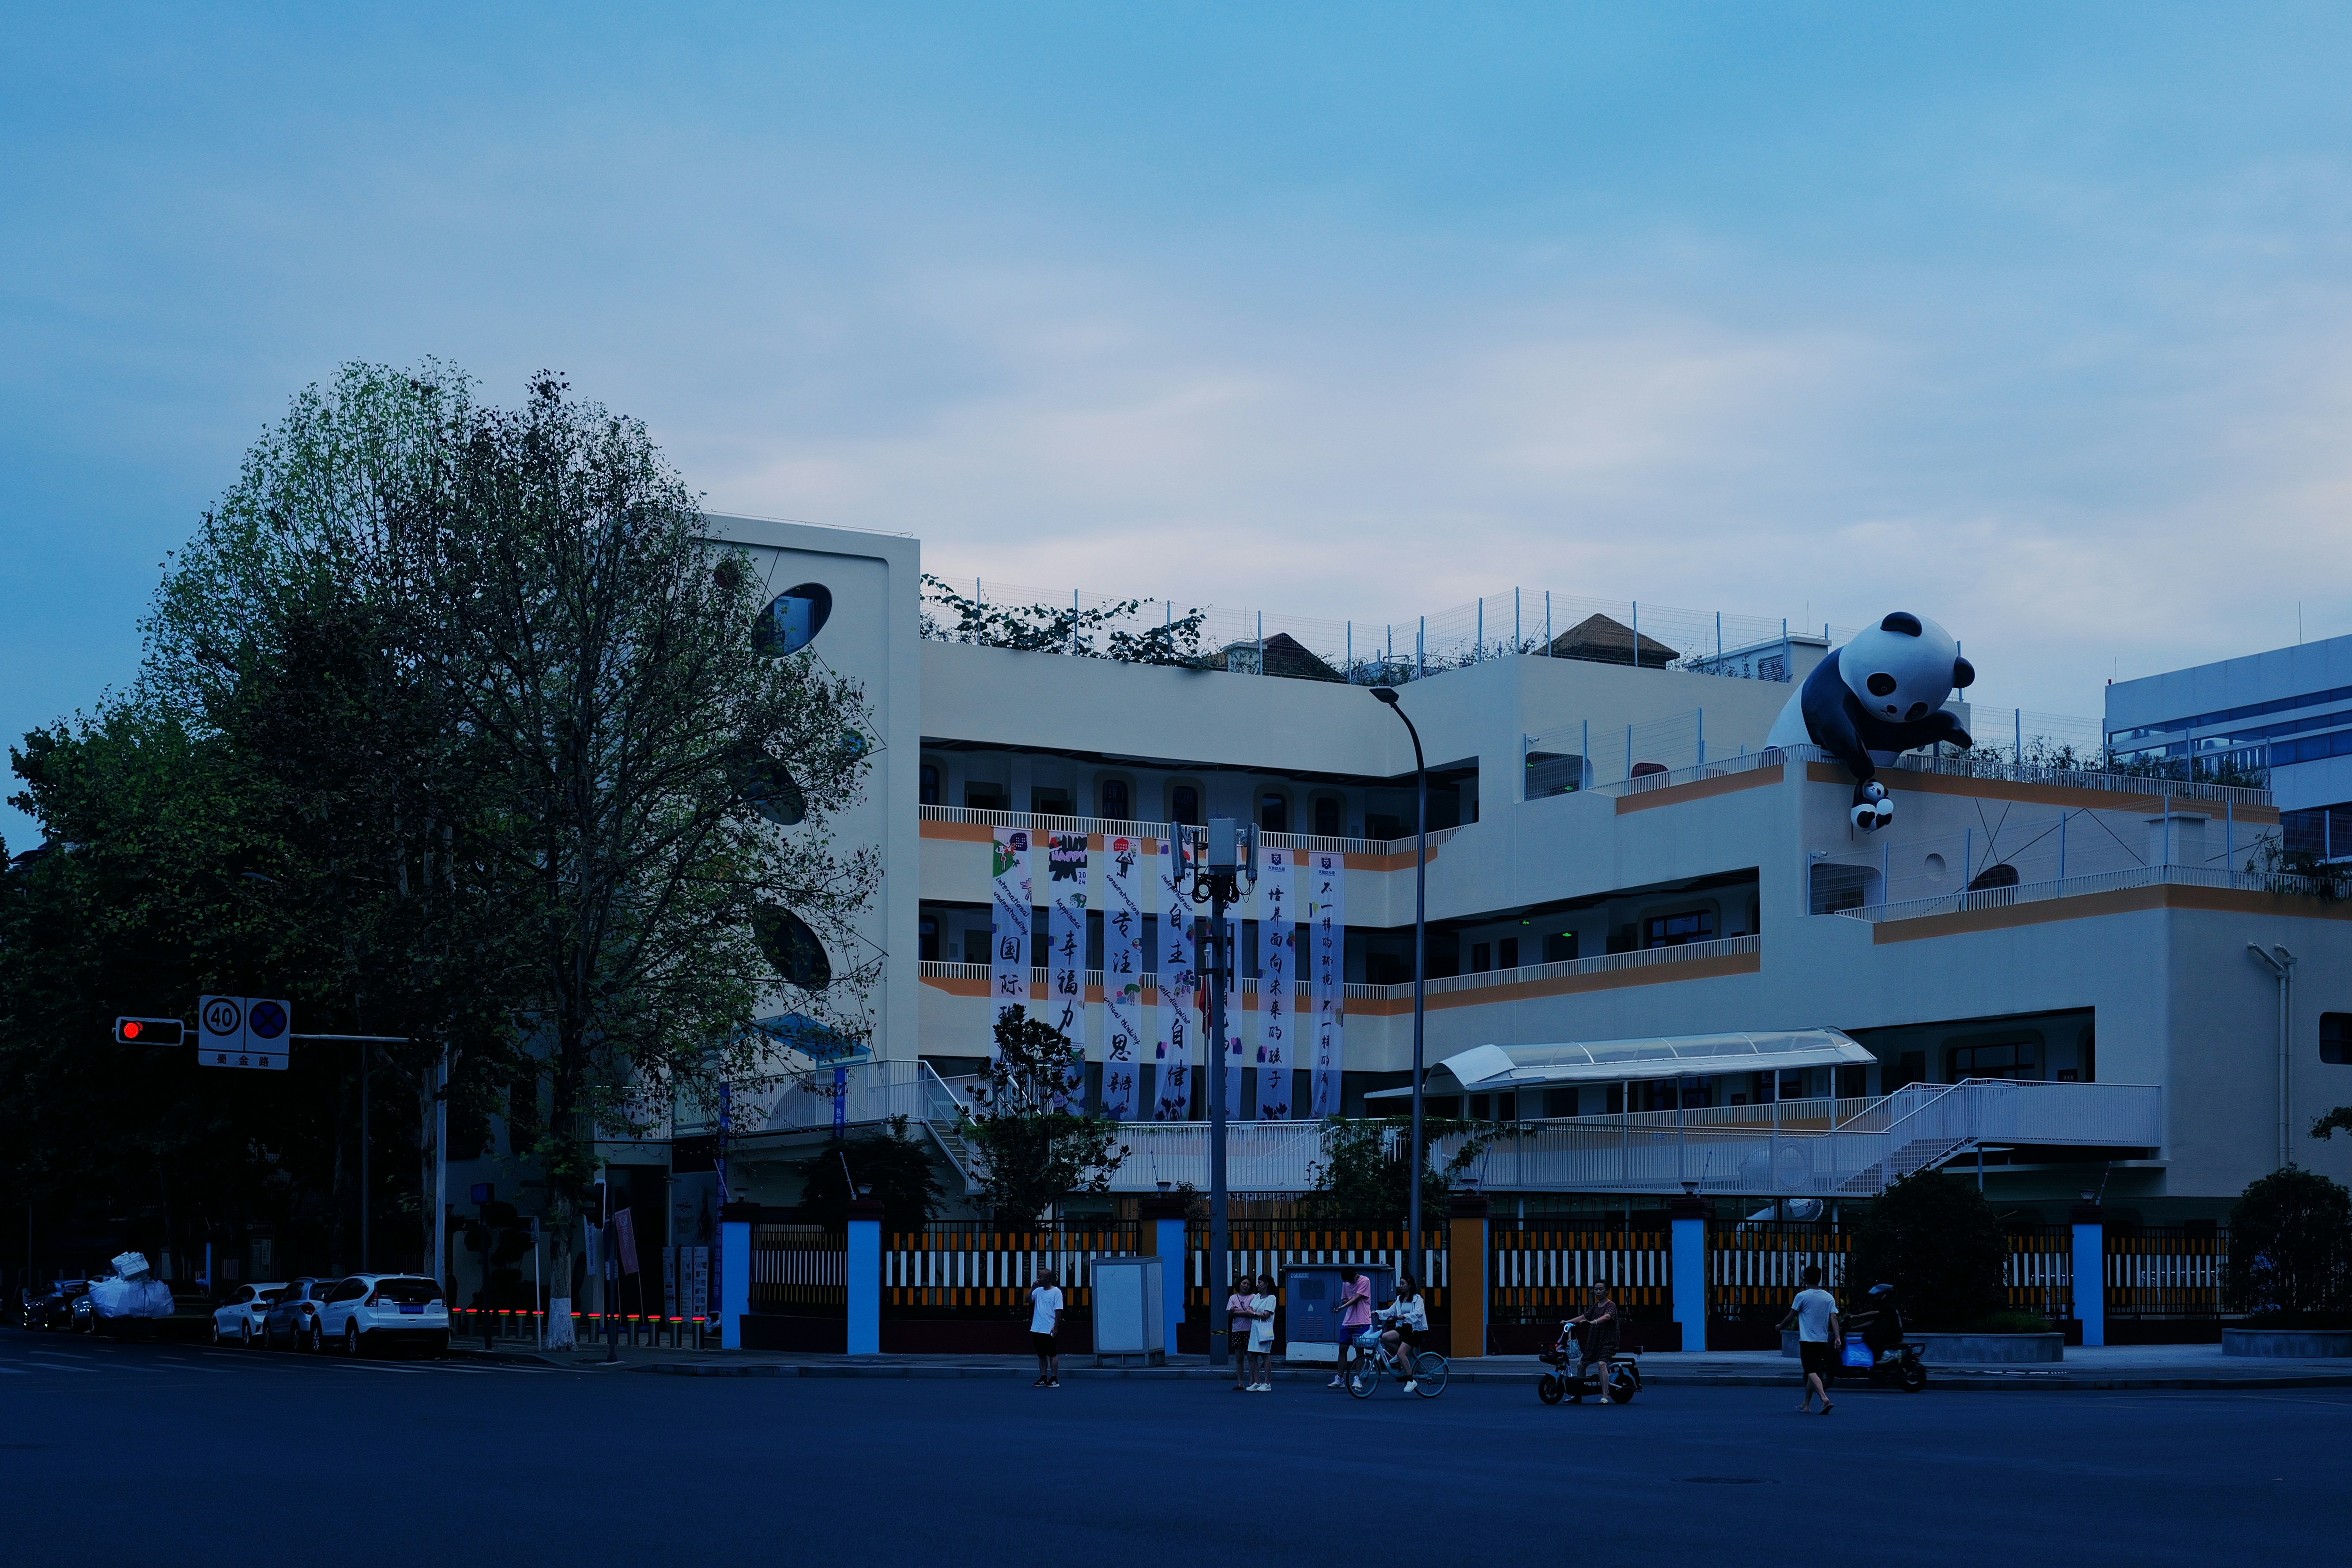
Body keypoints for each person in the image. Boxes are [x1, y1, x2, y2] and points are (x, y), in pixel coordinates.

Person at [1780, 1266, 1841, 1413]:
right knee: (1812, 1370)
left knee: (1810, 1370)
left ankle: (1824, 1398)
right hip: (1822, 1340)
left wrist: (1780, 1326)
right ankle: (1806, 1405)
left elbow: (1791, 1316)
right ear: (1820, 1278)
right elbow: (1834, 1317)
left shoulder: (1802, 1297)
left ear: (1805, 1279)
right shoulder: (1829, 1297)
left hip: (1807, 1340)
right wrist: (1838, 1337)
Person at [1567, 1282, 1620, 1406]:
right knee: (1581, 1365)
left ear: (1607, 1291)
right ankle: (1578, 1395)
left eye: (1601, 1289)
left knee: (1602, 1365)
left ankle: (1605, 1396)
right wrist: (1568, 1322)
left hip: (1608, 1342)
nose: (1598, 1292)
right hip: (1594, 1342)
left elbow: (1607, 1317)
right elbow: (1584, 1317)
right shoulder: (1595, 1307)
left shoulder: (1611, 1306)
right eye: (1596, 1290)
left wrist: (1594, 1322)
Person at [1376, 1274, 1429, 1392]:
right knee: (1383, 1338)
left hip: (1415, 1331)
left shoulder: (1418, 1299)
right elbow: (1390, 1312)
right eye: (1400, 1284)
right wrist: (1377, 1313)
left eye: (1403, 1283)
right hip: (1403, 1329)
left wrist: (1405, 1316)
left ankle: (1411, 1380)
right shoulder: (1400, 1299)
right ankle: (1399, 1356)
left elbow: (1419, 1314)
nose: (1401, 1286)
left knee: (1402, 1353)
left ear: (1410, 1285)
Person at [1329, 1267, 1373, 1388]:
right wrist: (1346, 1303)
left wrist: (1341, 1308)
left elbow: (1357, 1298)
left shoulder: (1365, 1281)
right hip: (1349, 1320)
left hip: (1363, 1320)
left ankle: (1358, 1377)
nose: (1350, 1283)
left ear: (1355, 1275)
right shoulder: (1346, 1283)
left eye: (1351, 1280)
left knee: (1359, 1349)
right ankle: (1339, 1378)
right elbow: (1345, 1300)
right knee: (1343, 1348)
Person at [1029, 1268, 1065, 1388]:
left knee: (1052, 1354)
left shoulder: (1056, 1292)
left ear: (1048, 1279)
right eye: (1039, 1276)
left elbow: (1058, 1311)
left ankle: (1054, 1378)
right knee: (1041, 1355)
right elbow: (1027, 1299)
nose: (1039, 1279)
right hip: (1037, 1328)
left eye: (1041, 1277)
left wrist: (1056, 1327)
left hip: (1048, 1328)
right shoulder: (1038, 1291)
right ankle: (1043, 1377)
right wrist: (1032, 1288)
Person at [1246, 1277, 1279, 1391]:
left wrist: (1254, 1313)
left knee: (1265, 1354)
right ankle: (1257, 1382)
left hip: (1265, 1328)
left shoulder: (1272, 1298)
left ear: (1266, 1284)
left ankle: (1267, 1383)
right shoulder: (1257, 1297)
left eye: (1260, 1283)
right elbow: (1249, 1310)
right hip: (1255, 1328)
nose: (1258, 1285)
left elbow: (1266, 1315)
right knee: (1251, 1355)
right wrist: (1257, 1314)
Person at [1227, 1273, 1257, 1390]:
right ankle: (1240, 1383)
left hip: (1250, 1330)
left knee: (1251, 1357)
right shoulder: (1233, 1298)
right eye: (1244, 1283)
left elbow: (1251, 1313)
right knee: (1239, 1358)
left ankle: (1252, 1381)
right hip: (1237, 1330)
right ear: (1239, 1284)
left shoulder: (1254, 1297)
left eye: (1249, 1284)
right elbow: (1229, 1316)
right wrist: (1232, 1311)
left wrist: (1237, 1313)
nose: (1246, 1286)